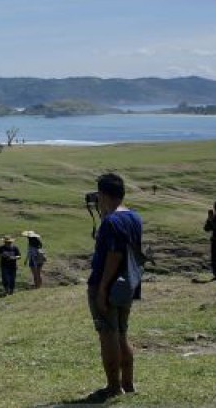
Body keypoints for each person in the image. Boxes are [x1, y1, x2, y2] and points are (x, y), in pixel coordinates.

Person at [86, 172, 143, 402]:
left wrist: (102, 289)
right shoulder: (134, 217)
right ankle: (127, 384)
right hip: (127, 284)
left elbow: (114, 255)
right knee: (122, 332)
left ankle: (112, 387)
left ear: (102, 194)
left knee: (107, 334)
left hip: (107, 284)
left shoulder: (111, 222)